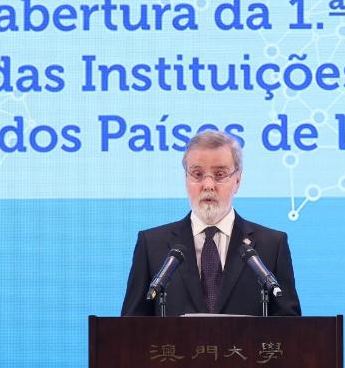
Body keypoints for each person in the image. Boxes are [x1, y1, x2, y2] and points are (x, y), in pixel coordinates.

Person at [120, 130, 301, 317]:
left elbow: (290, 326)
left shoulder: (272, 245)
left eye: (219, 174)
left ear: (237, 180)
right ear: (186, 179)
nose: (208, 185)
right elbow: (131, 326)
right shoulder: (151, 245)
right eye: (197, 174)